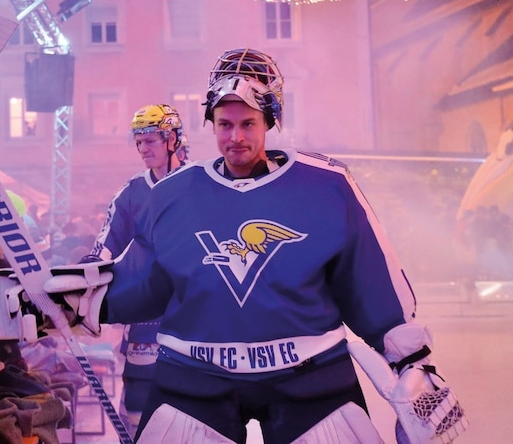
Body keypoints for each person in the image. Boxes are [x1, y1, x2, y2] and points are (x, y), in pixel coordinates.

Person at [29, 48, 467, 443]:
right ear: (210, 124)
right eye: (224, 124)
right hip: (195, 374)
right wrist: (61, 300)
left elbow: (368, 276)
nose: (235, 137)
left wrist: (412, 360)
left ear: (270, 122)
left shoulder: (327, 185)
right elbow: (145, 280)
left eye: (247, 124)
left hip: (310, 375)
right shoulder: (172, 195)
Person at [86, 103, 189, 435]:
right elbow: (106, 245)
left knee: (196, 404)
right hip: (147, 315)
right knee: (138, 407)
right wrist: (85, 274)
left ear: (172, 139)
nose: (143, 149)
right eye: (139, 142)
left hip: (196, 310)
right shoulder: (131, 192)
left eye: (151, 141)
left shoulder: (201, 182)